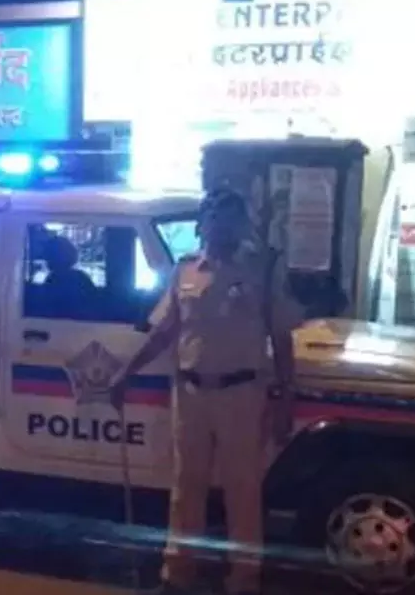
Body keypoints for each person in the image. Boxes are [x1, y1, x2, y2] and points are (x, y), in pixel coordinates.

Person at [109, 190, 301, 595]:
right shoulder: (185, 270)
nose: (222, 225)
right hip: (190, 393)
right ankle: (178, 575)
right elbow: (165, 330)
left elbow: (282, 338)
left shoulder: (262, 270)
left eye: (231, 217)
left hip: (241, 394)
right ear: (203, 224)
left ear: (242, 224)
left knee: (242, 492)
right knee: (185, 488)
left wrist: (286, 397)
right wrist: (126, 372)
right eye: (215, 216)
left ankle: (243, 581)